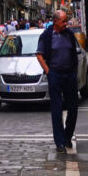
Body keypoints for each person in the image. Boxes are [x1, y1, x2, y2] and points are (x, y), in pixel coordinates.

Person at [37, 11, 79, 151]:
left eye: (66, 21)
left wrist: (74, 70)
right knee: (56, 108)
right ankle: (60, 141)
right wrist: (48, 72)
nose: (66, 24)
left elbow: (74, 52)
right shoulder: (47, 36)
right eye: (63, 21)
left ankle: (68, 136)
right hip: (55, 74)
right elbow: (39, 55)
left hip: (69, 74)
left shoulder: (69, 34)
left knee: (73, 108)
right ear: (55, 22)